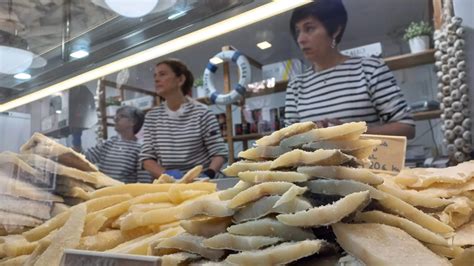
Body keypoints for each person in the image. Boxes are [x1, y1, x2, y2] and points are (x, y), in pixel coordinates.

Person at [285, 0, 415, 139]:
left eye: (309, 28)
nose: (300, 39)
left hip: (363, 160)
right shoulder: (296, 86)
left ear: (335, 29)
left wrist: (351, 133)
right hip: (312, 161)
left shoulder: (369, 69)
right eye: (298, 31)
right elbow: (287, 139)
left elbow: (406, 127)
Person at [140, 59, 227, 179]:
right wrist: (167, 176)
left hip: (203, 182)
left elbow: (219, 153)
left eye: (162, 74)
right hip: (169, 184)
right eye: (155, 75)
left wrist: (208, 174)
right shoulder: (152, 117)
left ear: (180, 79)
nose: (156, 79)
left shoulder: (202, 113)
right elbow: (147, 159)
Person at [85, 105, 147, 183]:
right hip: (100, 191)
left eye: (122, 116)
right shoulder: (109, 142)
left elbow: (144, 183)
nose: (115, 119)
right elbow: (85, 158)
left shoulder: (141, 149)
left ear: (133, 122)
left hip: (122, 194)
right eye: (116, 116)